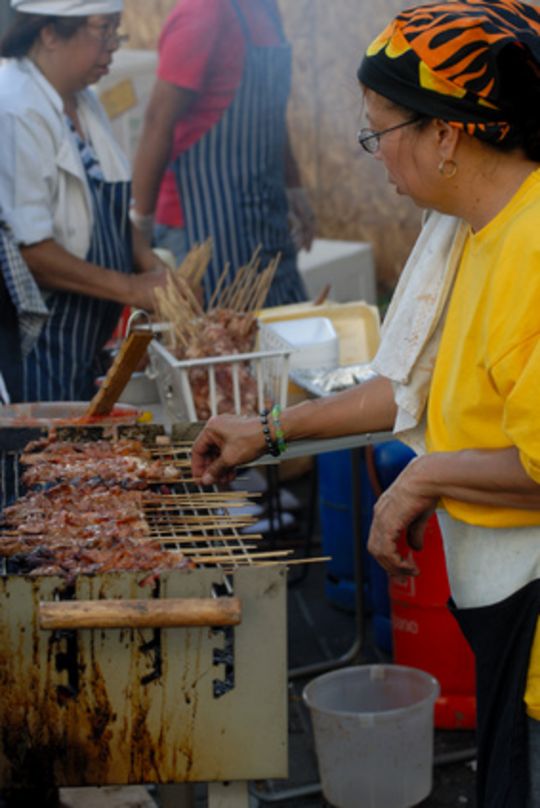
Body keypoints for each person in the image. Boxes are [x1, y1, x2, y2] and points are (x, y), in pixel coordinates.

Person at [191, 1, 540, 805]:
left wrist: (423, 479)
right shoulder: (472, 228)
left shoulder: (530, 247)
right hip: (498, 596)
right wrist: (268, 432)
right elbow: (405, 384)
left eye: (379, 133)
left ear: (447, 133)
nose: (375, 157)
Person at [0, 0, 168, 402]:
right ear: (49, 33)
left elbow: (107, 211)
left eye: (117, 31)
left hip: (85, 348)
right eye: (103, 30)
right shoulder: (15, 109)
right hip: (40, 350)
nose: (112, 46)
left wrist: (157, 273)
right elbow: (33, 253)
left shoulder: (82, 98)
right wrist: (131, 287)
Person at [130, 0, 315, 307]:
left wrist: (295, 189)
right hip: (200, 226)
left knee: (289, 331)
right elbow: (157, 122)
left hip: (265, 218)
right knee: (222, 340)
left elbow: (272, 112)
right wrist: (140, 226)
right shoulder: (202, 12)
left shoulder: (265, 9)